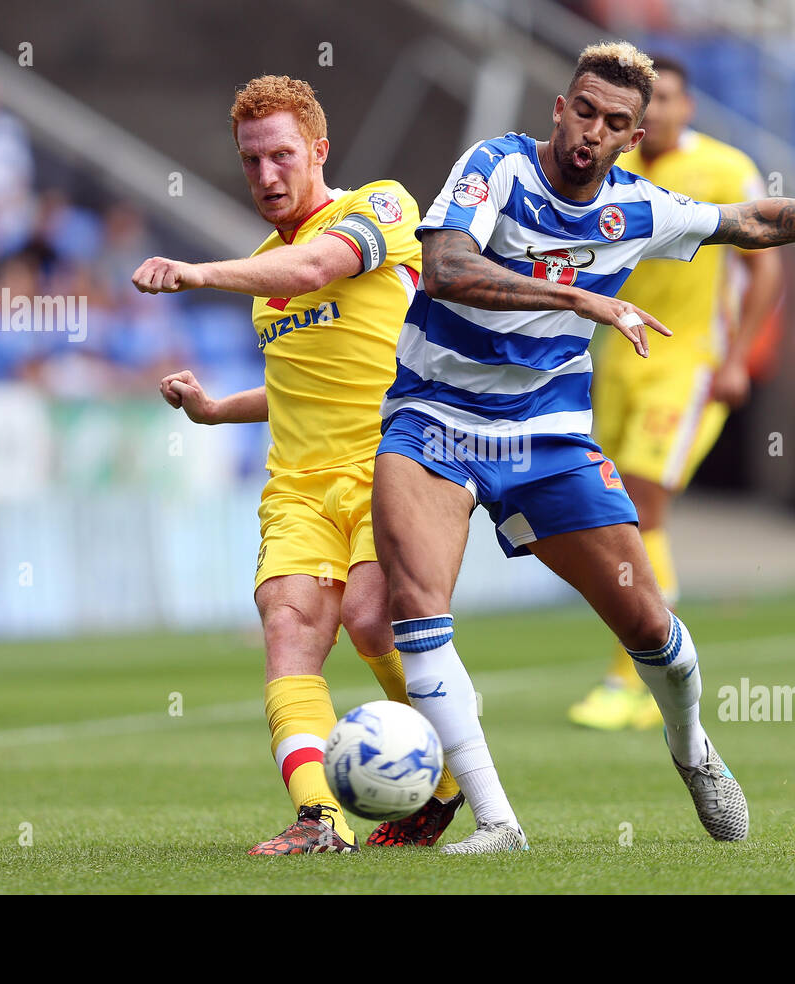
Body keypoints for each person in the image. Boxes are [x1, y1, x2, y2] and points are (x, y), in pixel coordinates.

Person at [371, 40, 795, 854]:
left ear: (633, 136)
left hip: (544, 435)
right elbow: (444, 267)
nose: (591, 130)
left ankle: (692, 751)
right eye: (582, 110)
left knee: (651, 628)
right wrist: (581, 297)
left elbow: (753, 223)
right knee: (418, 608)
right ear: (560, 108)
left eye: (613, 122)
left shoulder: (641, 210)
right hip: (432, 419)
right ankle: (498, 821)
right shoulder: (497, 167)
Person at [132, 75, 461, 854]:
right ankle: (323, 818)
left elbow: (316, 269)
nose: (267, 175)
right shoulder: (263, 271)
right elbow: (298, 388)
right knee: (288, 628)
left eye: (281, 155)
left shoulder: (381, 207)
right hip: (299, 486)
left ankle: (443, 785)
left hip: (394, 462)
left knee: (371, 617)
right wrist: (215, 409)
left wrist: (196, 273)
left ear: (318, 150)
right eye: (251, 161)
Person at [570, 55, 783, 731]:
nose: (656, 113)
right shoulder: (610, 168)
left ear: (688, 108)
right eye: (647, 103)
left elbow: (768, 267)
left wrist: (738, 358)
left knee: (640, 507)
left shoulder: (725, 169)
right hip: (618, 361)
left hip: (688, 364)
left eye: (667, 101)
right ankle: (655, 670)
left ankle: (630, 679)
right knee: (618, 513)